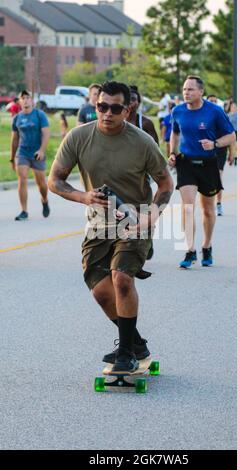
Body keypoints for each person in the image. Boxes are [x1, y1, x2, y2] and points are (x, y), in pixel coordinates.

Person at [48, 81, 173, 373]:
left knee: (121, 278)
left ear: (127, 109)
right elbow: (55, 179)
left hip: (135, 220)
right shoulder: (78, 137)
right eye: (102, 106)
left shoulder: (142, 142)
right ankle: (136, 343)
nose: (107, 113)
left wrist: (151, 216)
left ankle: (126, 353)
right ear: (96, 105)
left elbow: (166, 182)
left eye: (115, 108)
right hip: (99, 223)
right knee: (100, 292)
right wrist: (83, 196)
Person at [169, 75, 235, 268]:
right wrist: (173, 153)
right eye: (184, 89)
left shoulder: (214, 111)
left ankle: (206, 245)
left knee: (207, 210)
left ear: (201, 92)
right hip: (186, 163)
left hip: (208, 164)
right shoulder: (178, 111)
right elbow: (175, 132)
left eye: (190, 89)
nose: (186, 93)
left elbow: (230, 136)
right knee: (187, 207)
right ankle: (190, 249)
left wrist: (214, 143)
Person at [127, 85, 159, 264]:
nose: (131, 103)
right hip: (121, 172)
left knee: (142, 208)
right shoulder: (117, 120)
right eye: (128, 100)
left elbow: (155, 148)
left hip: (141, 172)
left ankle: (147, 238)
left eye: (134, 100)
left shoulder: (145, 123)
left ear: (138, 102)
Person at [10, 90, 50, 221]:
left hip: (37, 153)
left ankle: (44, 200)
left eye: (28, 97)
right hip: (22, 153)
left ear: (32, 100)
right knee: (22, 179)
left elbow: (46, 134)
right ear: (20, 101)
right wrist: (12, 158)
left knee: (42, 184)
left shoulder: (40, 115)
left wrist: (42, 150)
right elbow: (14, 139)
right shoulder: (17, 118)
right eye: (23, 98)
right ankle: (24, 211)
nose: (26, 100)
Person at [207, 94, 233, 216]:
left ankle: (218, 204)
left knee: (217, 177)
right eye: (210, 101)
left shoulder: (222, 115)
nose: (212, 102)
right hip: (206, 150)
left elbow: (230, 136)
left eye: (214, 101)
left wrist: (232, 153)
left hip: (220, 149)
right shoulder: (202, 116)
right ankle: (208, 204)